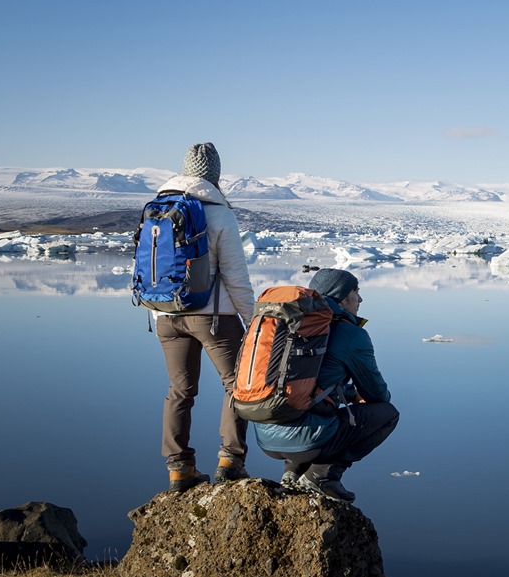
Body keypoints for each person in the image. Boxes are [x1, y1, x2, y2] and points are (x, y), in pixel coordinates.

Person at [153, 142, 256, 492]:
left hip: (167, 316)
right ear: (214, 175)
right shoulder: (218, 212)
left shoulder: (159, 208)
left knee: (179, 391)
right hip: (214, 317)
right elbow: (236, 278)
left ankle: (179, 469)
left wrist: (160, 311)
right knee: (237, 385)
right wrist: (254, 321)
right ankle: (230, 460)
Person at [254, 268, 399, 503]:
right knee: (387, 414)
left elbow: (306, 384)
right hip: (306, 443)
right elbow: (377, 394)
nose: (360, 299)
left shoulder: (288, 324)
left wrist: (349, 394)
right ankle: (320, 477)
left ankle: (291, 474)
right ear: (341, 295)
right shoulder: (351, 334)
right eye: (356, 291)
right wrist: (361, 395)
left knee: (305, 403)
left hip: (265, 438)